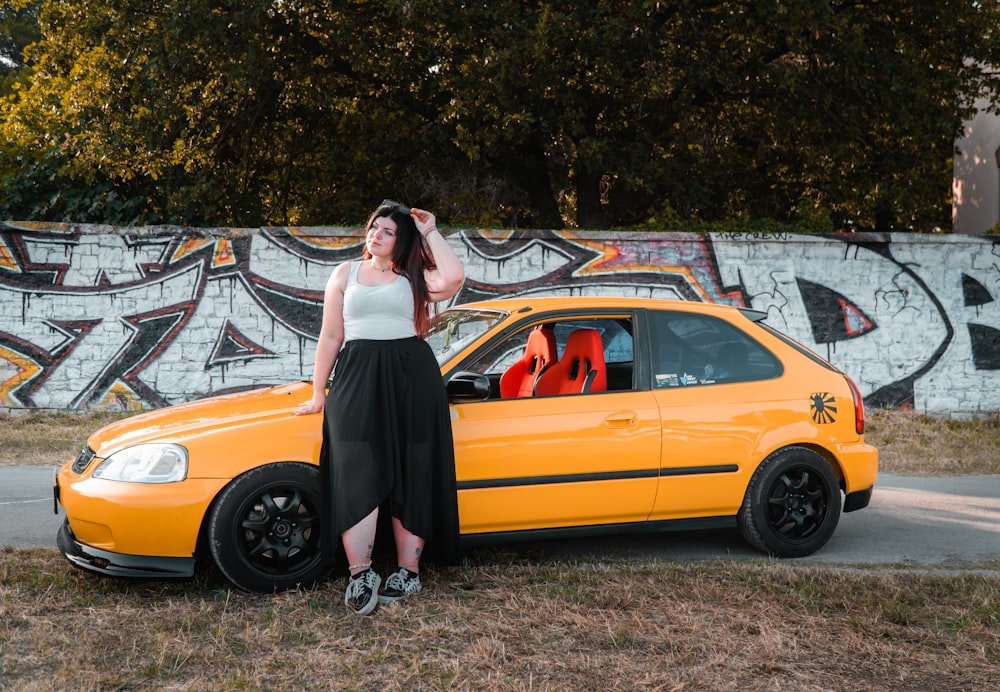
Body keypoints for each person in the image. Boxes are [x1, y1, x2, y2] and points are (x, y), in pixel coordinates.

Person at [294, 200, 465, 615]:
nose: (378, 235)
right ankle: (361, 573)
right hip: (356, 375)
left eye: (388, 231)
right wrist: (320, 392)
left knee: (414, 470)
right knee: (355, 468)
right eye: (375, 227)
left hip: (412, 377)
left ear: (400, 238)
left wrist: (429, 231)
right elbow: (331, 337)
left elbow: (455, 276)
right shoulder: (344, 274)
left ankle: (409, 573)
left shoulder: (415, 277)